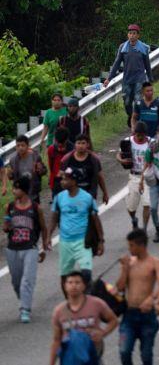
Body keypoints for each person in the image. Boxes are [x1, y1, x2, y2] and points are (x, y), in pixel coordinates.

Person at [116, 228, 159, 365]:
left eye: (131, 245)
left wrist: (151, 299)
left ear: (141, 245)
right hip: (129, 314)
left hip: (147, 315)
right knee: (124, 351)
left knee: (146, 355)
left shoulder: (155, 263)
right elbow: (119, 288)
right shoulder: (129, 263)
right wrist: (125, 269)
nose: (129, 248)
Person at [5, 175, 49, 323]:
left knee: (27, 280)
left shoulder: (36, 208)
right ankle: (23, 299)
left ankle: (25, 309)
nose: (14, 190)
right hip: (12, 248)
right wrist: (6, 226)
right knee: (16, 282)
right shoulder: (9, 207)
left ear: (23, 190)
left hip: (29, 247)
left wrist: (44, 246)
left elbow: (43, 228)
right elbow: (6, 228)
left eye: (16, 188)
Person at [48, 271, 118, 365]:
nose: (74, 286)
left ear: (84, 286)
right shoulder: (59, 311)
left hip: (92, 354)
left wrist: (103, 333)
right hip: (70, 356)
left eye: (77, 282)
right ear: (65, 286)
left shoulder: (96, 304)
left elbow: (113, 320)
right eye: (70, 282)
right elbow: (56, 340)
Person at [51, 168, 103, 286]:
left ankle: (86, 298)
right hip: (65, 242)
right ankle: (71, 301)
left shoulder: (87, 198)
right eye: (62, 179)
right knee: (64, 276)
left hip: (83, 242)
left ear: (74, 181)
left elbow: (96, 220)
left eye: (66, 179)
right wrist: (48, 236)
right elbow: (54, 218)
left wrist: (101, 240)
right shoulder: (59, 197)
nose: (62, 182)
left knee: (86, 274)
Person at [104, 24, 153, 128]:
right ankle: (132, 117)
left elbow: (147, 65)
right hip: (127, 79)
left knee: (138, 100)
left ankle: (138, 121)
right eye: (130, 33)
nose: (132, 36)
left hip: (140, 79)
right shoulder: (123, 47)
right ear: (128, 35)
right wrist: (109, 78)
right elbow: (116, 63)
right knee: (127, 102)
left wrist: (150, 79)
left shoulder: (143, 48)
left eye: (134, 33)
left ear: (138, 35)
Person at [119, 121, 154, 232]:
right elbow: (118, 155)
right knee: (131, 207)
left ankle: (144, 228)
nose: (139, 137)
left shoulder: (152, 143)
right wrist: (122, 160)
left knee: (147, 204)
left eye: (142, 135)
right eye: (137, 135)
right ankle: (134, 219)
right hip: (134, 176)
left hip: (147, 177)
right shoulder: (127, 142)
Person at [60, 134, 109, 203]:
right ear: (75, 144)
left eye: (83, 143)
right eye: (78, 143)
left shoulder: (94, 159)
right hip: (72, 197)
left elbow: (99, 177)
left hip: (89, 196)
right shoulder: (67, 159)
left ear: (87, 145)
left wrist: (105, 193)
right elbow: (61, 176)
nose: (80, 146)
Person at [4, 134, 46, 203]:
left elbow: (44, 171)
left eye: (22, 145)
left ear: (27, 146)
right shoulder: (13, 160)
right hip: (20, 195)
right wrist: (9, 175)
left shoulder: (35, 157)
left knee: (35, 212)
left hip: (33, 193)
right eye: (18, 145)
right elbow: (12, 177)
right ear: (16, 147)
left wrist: (41, 170)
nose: (20, 148)